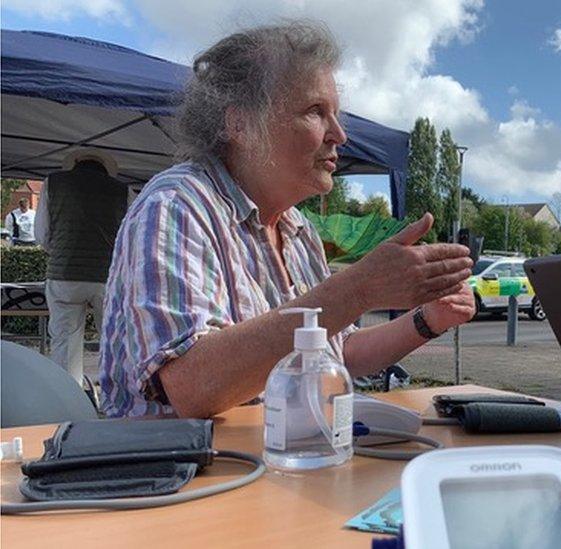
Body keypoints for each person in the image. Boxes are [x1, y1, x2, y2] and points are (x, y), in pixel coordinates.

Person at [99, 22, 476, 419]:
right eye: (316, 112)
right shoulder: (175, 207)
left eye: (336, 114)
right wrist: (358, 289)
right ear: (240, 124)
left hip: (278, 462)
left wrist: (429, 320)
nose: (340, 135)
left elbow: (338, 353)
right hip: (179, 475)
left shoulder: (298, 230)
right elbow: (192, 387)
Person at [34, 148, 127, 385]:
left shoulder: (53, 183)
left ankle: (69, 400)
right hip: (107, 277)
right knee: (114, 340)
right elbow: (131, 238)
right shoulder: (123, 191)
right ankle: (115, 395)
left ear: (75, 163)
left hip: (63, 274)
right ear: (106, 168)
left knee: (65, 343)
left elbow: (42, 234)